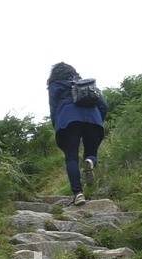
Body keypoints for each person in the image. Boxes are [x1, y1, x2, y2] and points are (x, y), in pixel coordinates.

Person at [47, 62, 109, 206]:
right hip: (93, 119)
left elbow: (53, 108)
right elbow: (103, 105)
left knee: (71, 157)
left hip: (68, 120)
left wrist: (57, 126)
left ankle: (78, 194)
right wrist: (98, 119)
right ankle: (90, 161)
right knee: (91, 152)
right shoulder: (85, 83)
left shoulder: (55, 85)